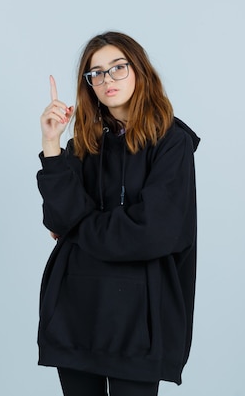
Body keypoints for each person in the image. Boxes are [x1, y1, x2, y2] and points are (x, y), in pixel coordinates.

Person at [37, 31, 200, 396]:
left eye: (117, 68)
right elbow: (56, 220)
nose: (107, 79)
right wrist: (52, 146)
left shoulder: (172, 143)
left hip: (138, 323)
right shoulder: (83, 144)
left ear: (139, 70)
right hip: (76, 313)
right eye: (96, 73)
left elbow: (152, 232)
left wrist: (78, 226)